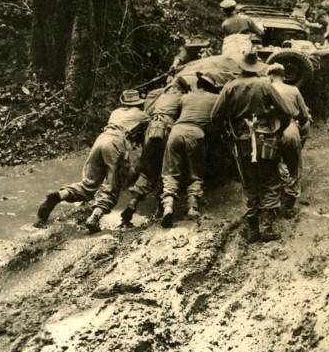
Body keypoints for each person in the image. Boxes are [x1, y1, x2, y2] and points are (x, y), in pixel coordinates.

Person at [34, 90, 149, 232]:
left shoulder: (116, 112)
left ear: (124, 102)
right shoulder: (142, 115)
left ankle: (59, 195)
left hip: (101, 140)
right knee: (112, 188)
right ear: (138, 103)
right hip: (116, 143)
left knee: (89, 183)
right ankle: (94, 218)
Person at [211, 51, 294, 242]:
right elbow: (287, 112)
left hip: (242, 142)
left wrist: (227, 134)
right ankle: (267, 229)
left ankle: (253, 230)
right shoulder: (265, 85)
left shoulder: (230, 87)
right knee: (271, 182)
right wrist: (277, 132)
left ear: (240, 66)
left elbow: (215, 116)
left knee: (249, 184)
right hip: (265, 140)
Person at [120, 76, 191, 225]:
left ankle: (133, 201)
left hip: (152, 131)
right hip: (168, 131)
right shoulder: (182, 98)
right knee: (169, 169)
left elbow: (147, 114)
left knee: (146, 171)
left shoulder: (160, 96)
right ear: (181, 89)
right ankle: (166, 208)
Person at [159, 72, 220, 228]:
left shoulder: (186, 97)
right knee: (195, 172)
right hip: (196, 134)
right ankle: (192, 207)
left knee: (170, 171)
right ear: (212, 88)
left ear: (198, 85)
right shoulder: (216, 99)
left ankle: (168, 206)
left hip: (176, 132)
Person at [266, 63, 311, 218]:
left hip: (270, 131)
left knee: (270, 167)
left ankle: (271, 207)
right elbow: (304, 116)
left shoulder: (265, 89)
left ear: (270, 77)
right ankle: (289, 206)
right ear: (283, 76)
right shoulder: (293, 90)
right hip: (290, 129)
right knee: (294, 167)